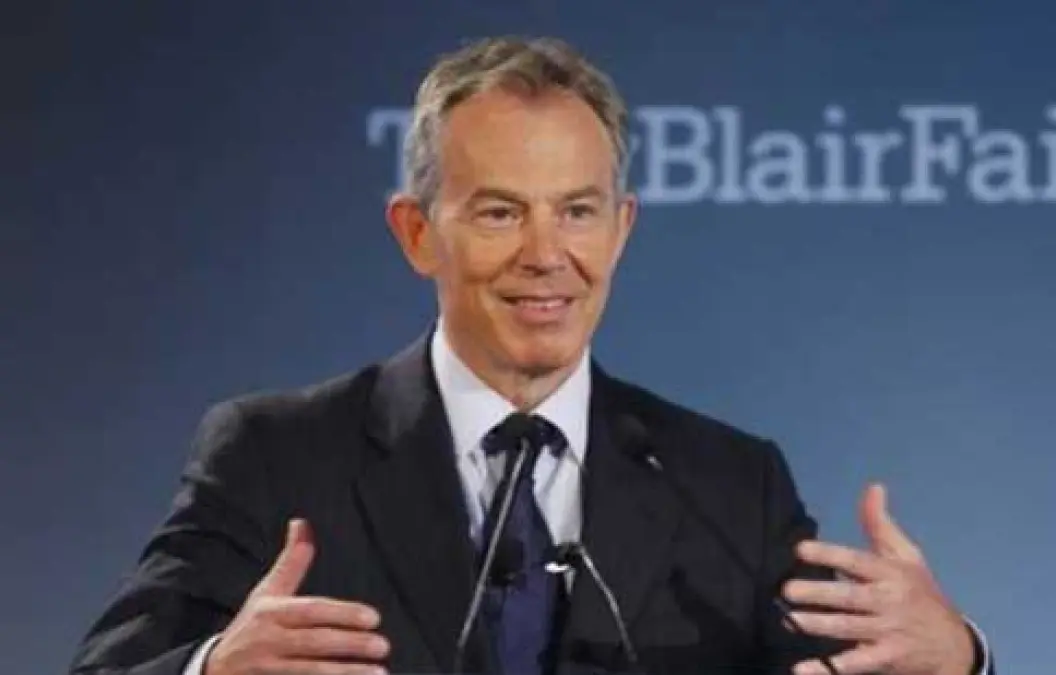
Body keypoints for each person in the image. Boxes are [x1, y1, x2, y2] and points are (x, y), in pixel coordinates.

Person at [69, 36, 994, 675]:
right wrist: (212, 668)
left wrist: (955, 655)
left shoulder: (731, 487)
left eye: (578, 211)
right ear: (416, 232)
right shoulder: (276, 456)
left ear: (621, 229)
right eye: (501, 212)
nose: (546, 254)